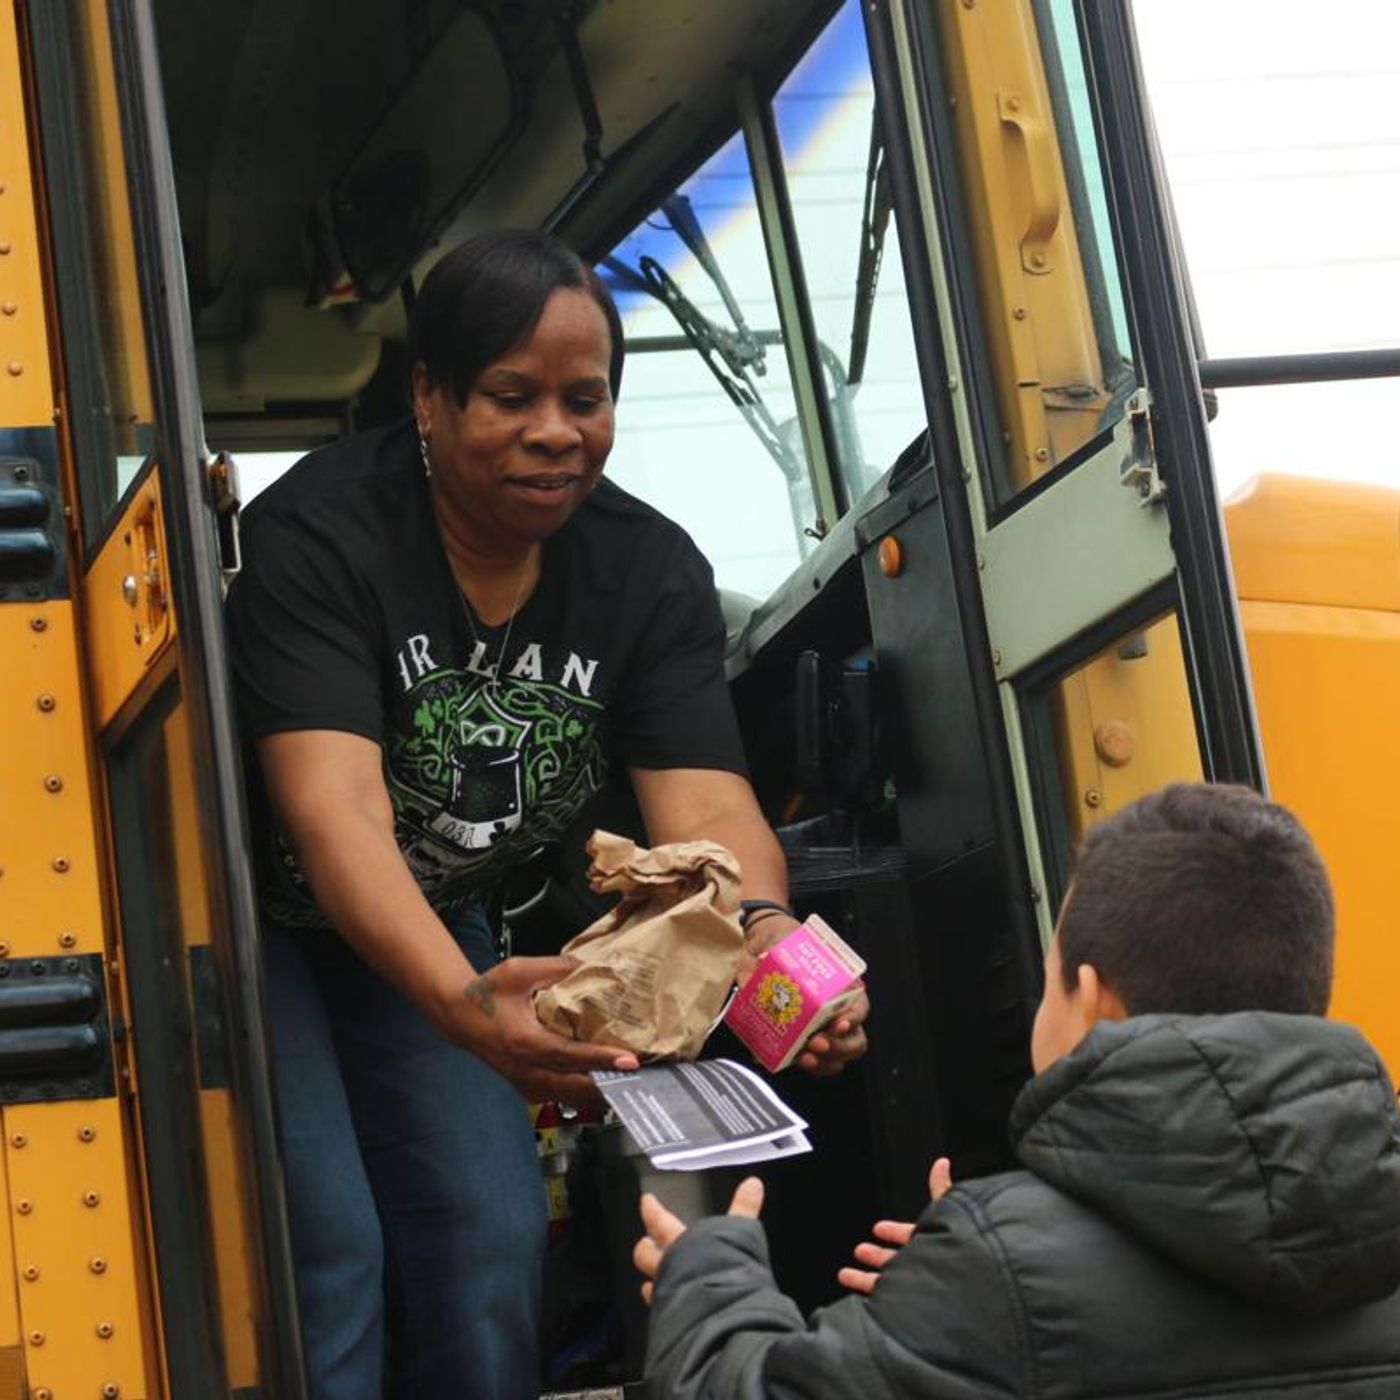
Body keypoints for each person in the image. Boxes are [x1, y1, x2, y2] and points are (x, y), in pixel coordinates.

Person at [224, 229, 868, 1400]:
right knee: (326, 1244)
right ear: (427, 395)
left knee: (487, 1231)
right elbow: (338, 816)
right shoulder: (318, 537)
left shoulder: (645, 570)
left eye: (587, 398)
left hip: (441, 915)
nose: (556, 432)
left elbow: (707, 804)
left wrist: (774, 944)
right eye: (511, 397)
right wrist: (466, 1006)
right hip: (262, 923)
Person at [635, 782, 1400, 1397]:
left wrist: (707, 1284)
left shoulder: (998, 1270)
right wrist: (939, 1306)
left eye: (1048, 979)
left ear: (1093, 1000)